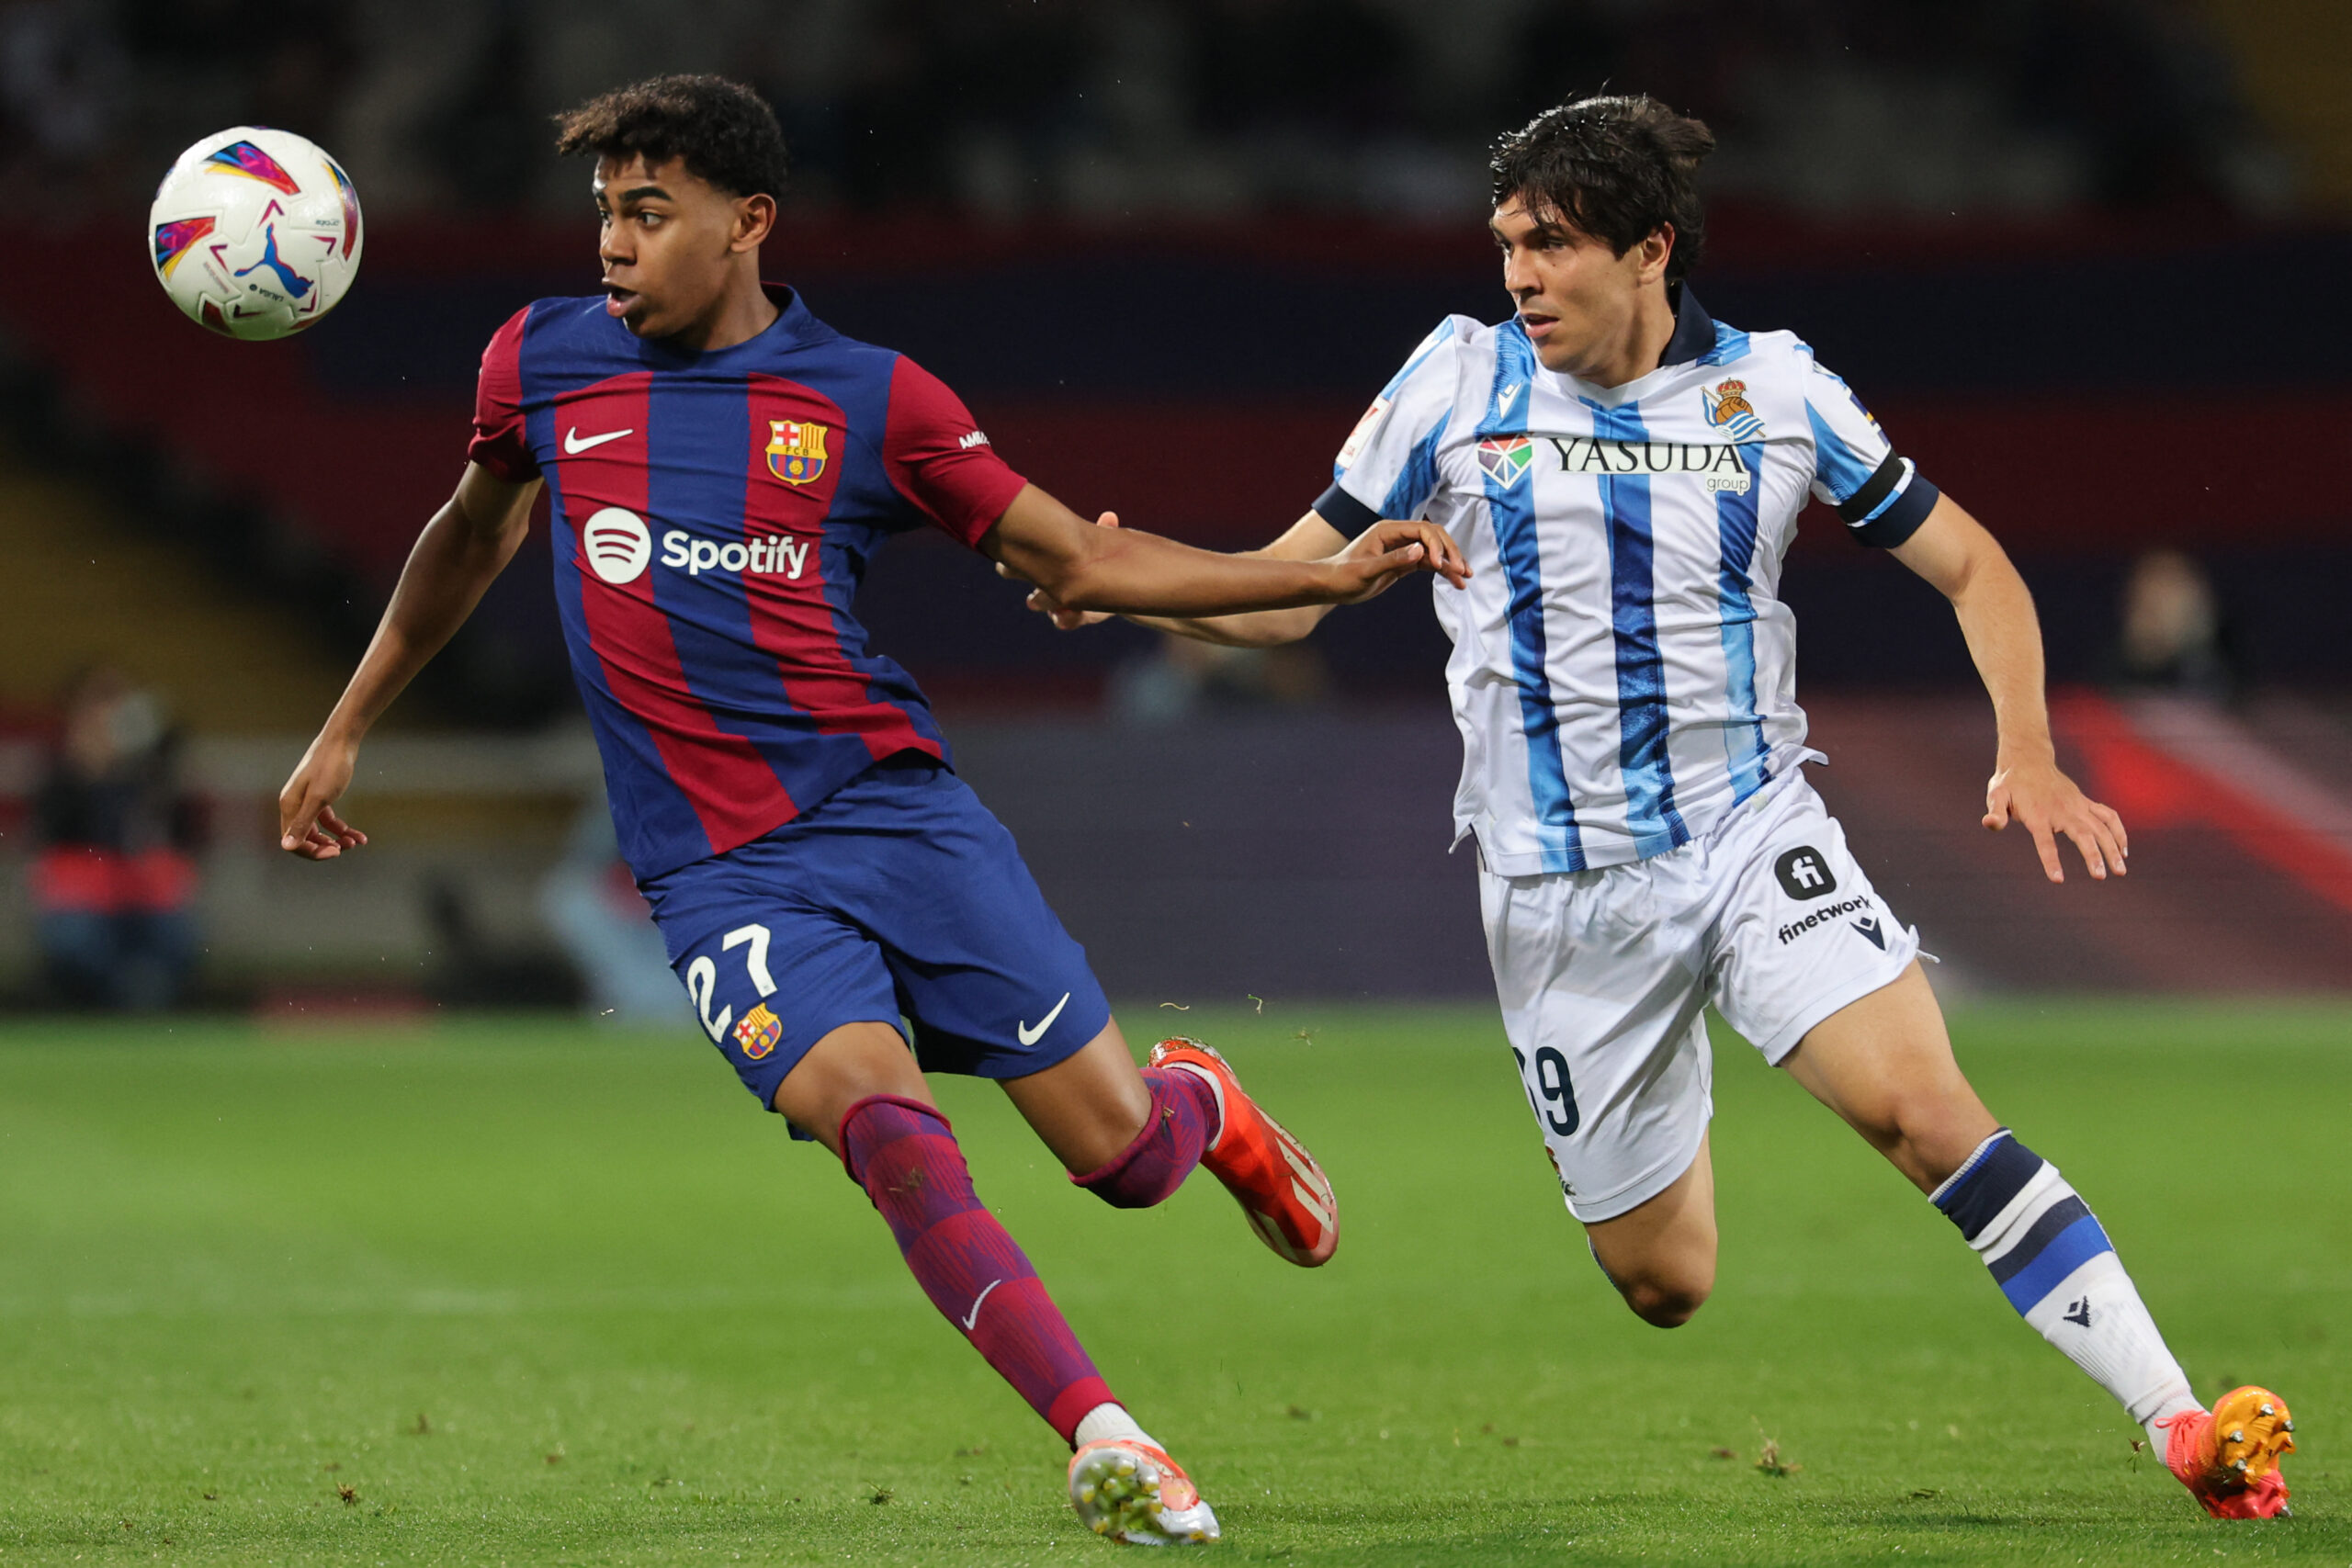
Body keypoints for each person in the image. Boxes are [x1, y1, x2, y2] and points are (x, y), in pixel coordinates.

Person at [1023, 94, 2293, 1519]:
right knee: (1663, 1283)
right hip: (1559, 894)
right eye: (1506, 242)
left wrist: (2029, 748)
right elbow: (1285, 593)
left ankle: (2187, 1422)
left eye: (1552, 244)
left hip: (1752, 834)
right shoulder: (1455, 380)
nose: (1519, 275)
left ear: (1650, 250)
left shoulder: (1782, 392)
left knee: (1929, 1112)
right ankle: (1276, 1119)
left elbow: (1976, 566)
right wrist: (1125, 579)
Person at [275, 73, 1464, 1546]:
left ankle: (1203, 1103)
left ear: (747, 223)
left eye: (651, 214)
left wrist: (1319, 576)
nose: (614, 247)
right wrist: (344, 728)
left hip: (899, 820)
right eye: (604, 214)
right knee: (886, 1127)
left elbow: (1078, 562)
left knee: (1126, 1162)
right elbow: (472, 533)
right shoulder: (541, 363)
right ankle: (1112, 1436)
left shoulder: (873, 399)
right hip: (718, 875)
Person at [30, 666, 204, 1010]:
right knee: (80, 943)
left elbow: (182, 825)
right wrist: (88, 771)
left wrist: (138, 768)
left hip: (142, 894)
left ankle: (140, 1001)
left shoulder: (149, 770)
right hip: (84, 899)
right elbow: (55, 829)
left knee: (175, 938)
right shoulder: (60, 769)